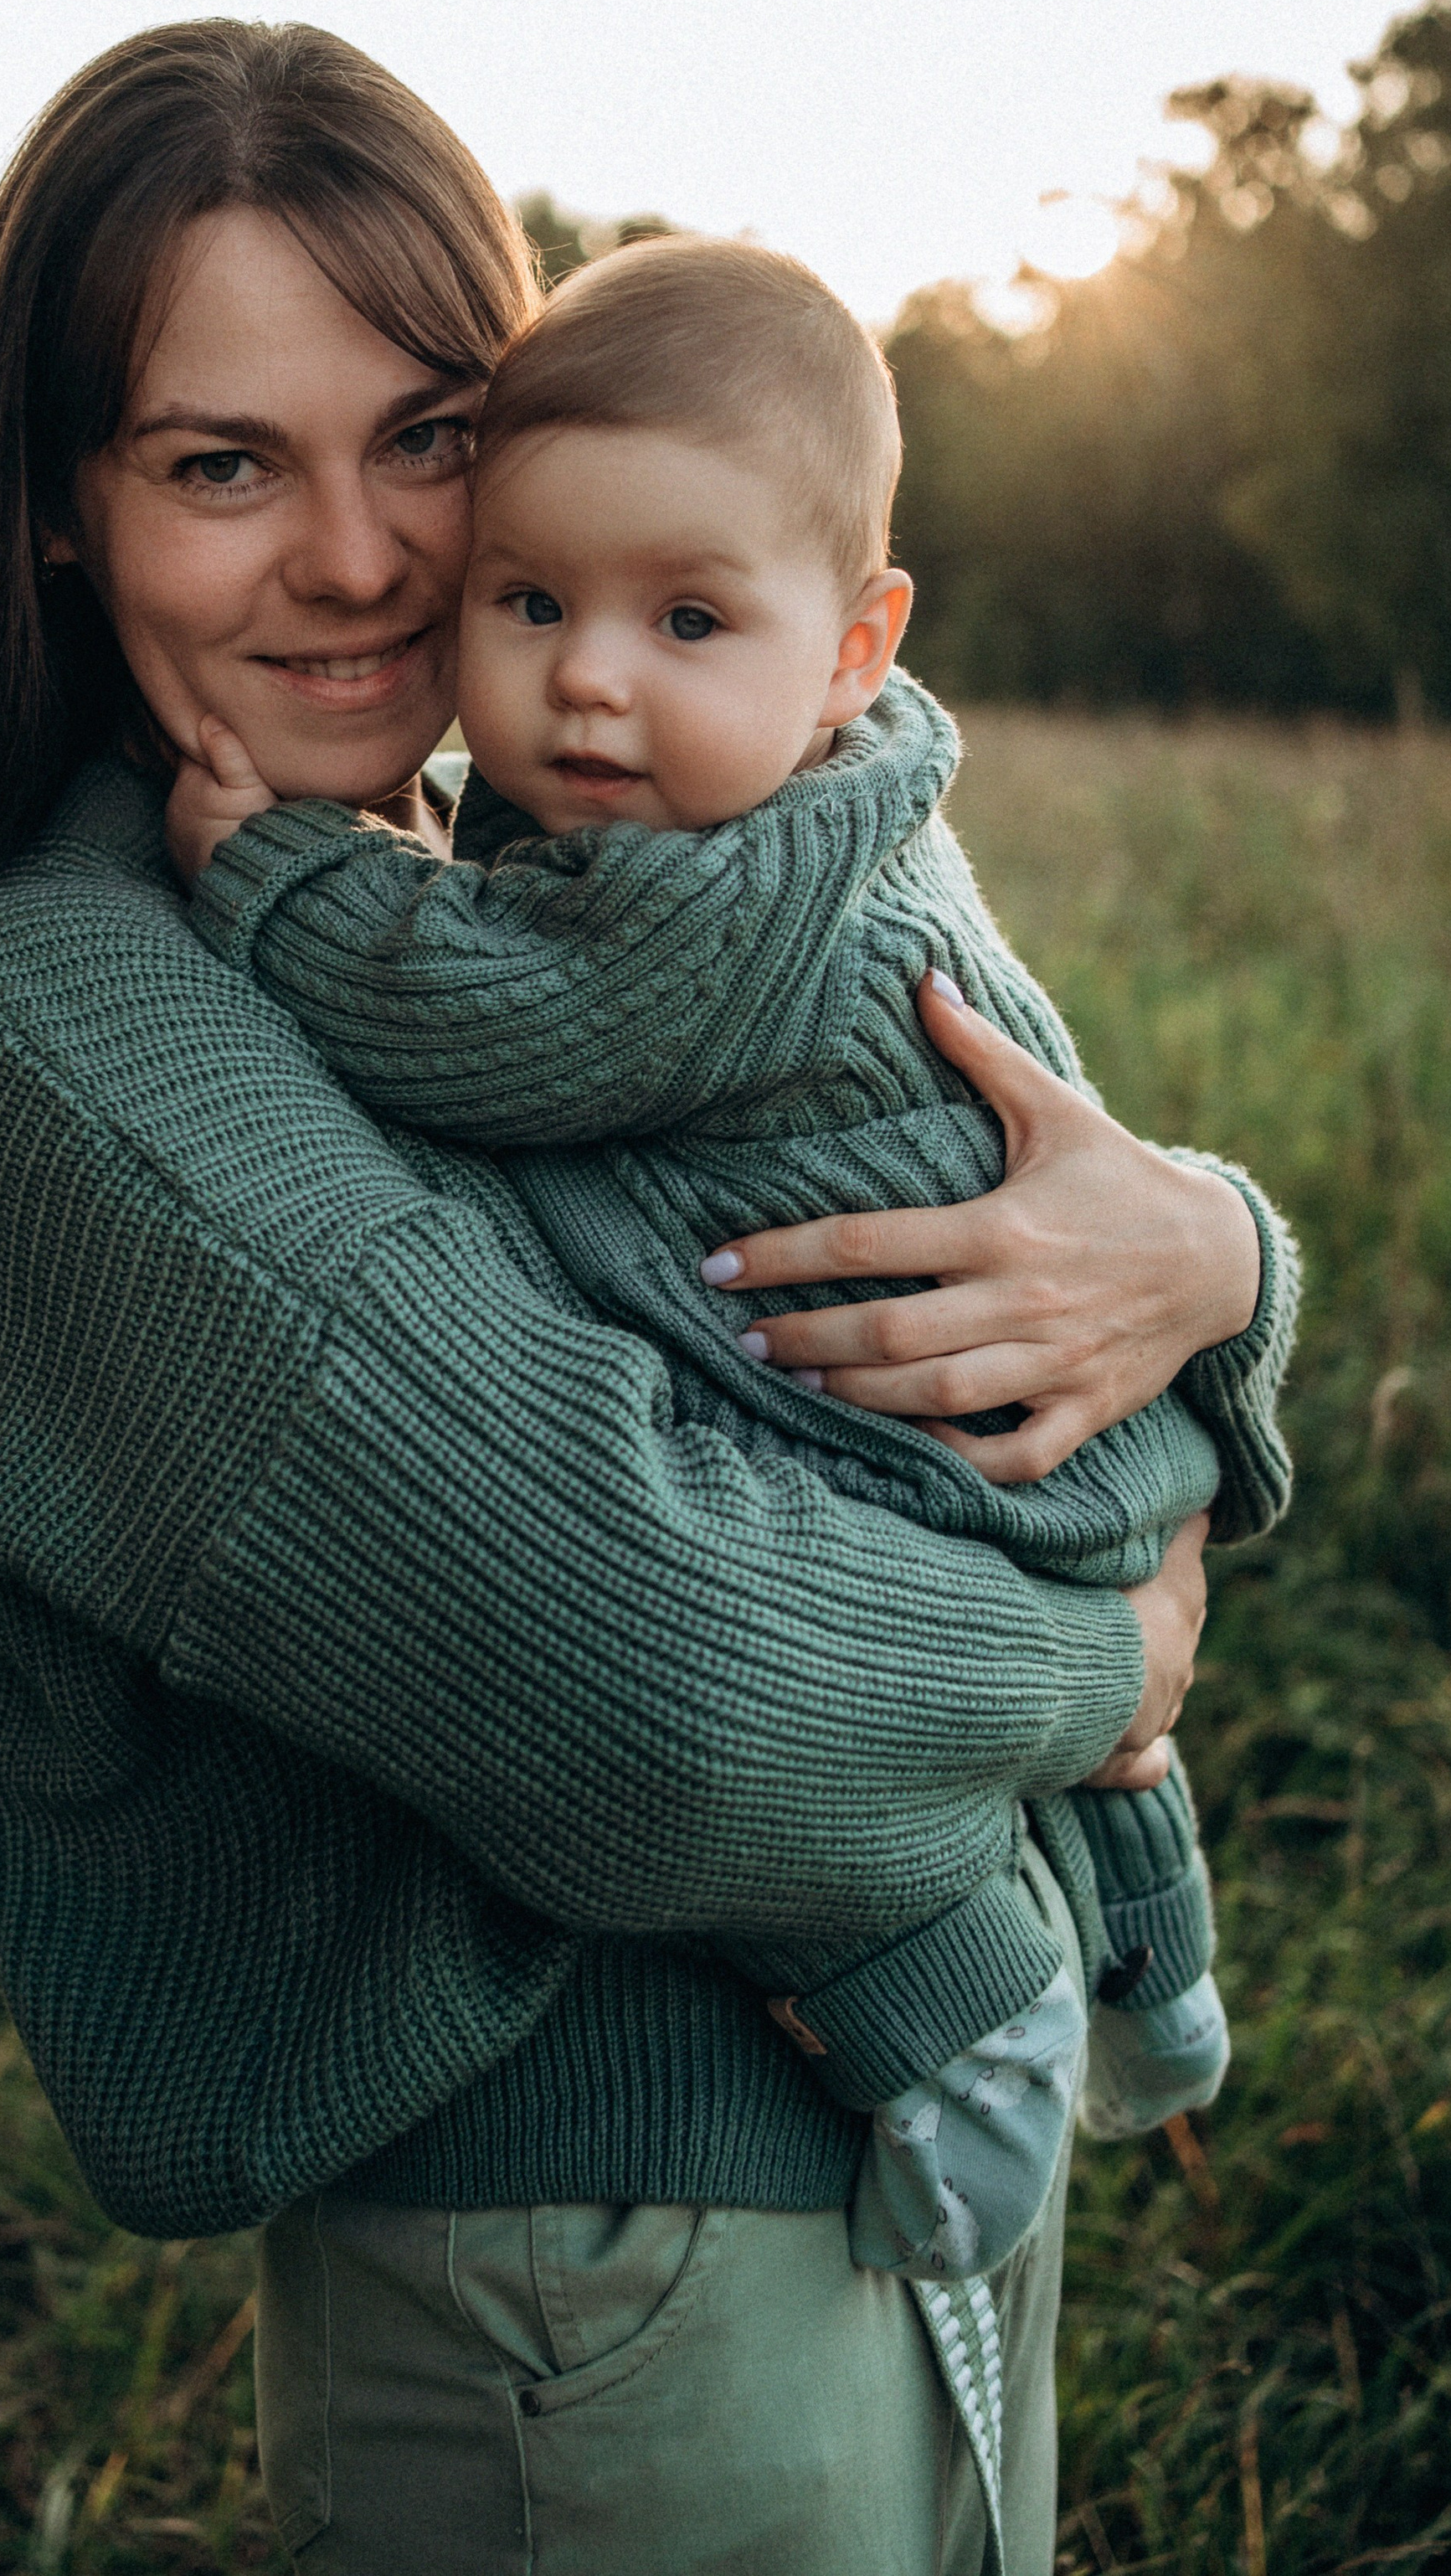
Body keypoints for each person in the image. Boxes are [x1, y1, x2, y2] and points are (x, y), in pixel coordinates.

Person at [0, 20, 1294, 2576]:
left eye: (430, 434)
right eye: (222, 463)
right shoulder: (88, 1017)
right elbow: (676, 1696)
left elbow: (965, 1146)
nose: (362, 556)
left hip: (847, 2175)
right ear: (56, 514)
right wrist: (1104, 1651)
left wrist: (1217, 1255)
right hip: (592, 2281)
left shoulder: (532, 867)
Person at [162, 232, 1282, 2321]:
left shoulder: (725, 897)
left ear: (852, 648)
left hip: (916, 1439)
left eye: (684, 619)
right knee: (1115, 1761)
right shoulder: (804, 793)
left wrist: (281, 880)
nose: (589, 678)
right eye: (529, 602)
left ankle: (967, 2021)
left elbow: (500, 1020)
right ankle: (1161, 1981)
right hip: (1043, 1433)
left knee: (869, 1789)